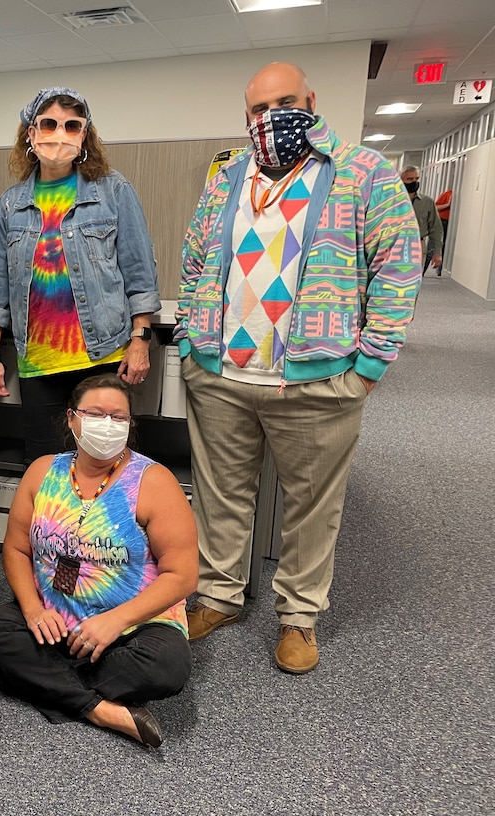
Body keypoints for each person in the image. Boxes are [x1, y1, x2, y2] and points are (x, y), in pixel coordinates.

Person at [177, 62, 421, 674]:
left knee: (313, 505)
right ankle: (219, 594)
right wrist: (188, 342)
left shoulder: (364, 174)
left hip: (317, 378)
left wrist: (369, 363)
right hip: (222, 373)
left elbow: (398, 268)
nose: (271, 118)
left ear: (312, 100)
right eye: (258, 109)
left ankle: (299, 617)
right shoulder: (229, 176)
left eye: (284, 102)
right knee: (221, 494)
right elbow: (194, 256)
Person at [0, 374, 196, 748]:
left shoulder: (154, 482)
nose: (107, 425)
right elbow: (15, 550)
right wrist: (31, 610)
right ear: (71, 419)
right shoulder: (43, 471)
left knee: (168, 667)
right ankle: (99, 709)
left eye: (118, 417)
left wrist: (115, 621)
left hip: (130, 627)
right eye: (94, 414)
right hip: (53, 618)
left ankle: (25, 677)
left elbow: (183, 575)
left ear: (130, 424)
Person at [0, 86, 160, 462]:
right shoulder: (11, 204)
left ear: (84, 136)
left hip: (101, 357)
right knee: (46, 470)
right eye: (48, 124)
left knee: (107, 465)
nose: (58, 133)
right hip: (39, 364)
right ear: (31, 134)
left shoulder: (113, 191)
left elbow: (140, 274)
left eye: (71, 125)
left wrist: (141, 341)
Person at [400, 166, 442, 273]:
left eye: (416, 179)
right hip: (394, 244)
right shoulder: (390, 200)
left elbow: (435, 228)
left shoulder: (427, 202)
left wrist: (437, 252)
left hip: (417, 245)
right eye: (410, 179)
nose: (414, 182)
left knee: (413, 281)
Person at [435, 188, 452, 276]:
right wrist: (448, 205)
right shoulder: (447, 194)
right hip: (443, 221)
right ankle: (439, 267)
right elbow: (436, 207)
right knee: (441, 243)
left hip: (452, 223)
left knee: (448, 245)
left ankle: (441, 267)